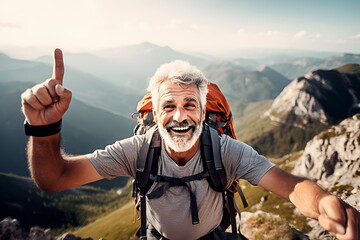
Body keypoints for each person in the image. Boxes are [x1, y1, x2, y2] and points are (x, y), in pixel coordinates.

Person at [21, 49, 359, 240]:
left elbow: (291, 185)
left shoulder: (226, 150)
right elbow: (55, 178)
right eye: (168, 106)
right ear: (154, 112)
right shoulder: (136, 150)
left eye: (189, 105)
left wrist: (324, 202)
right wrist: (44, 128)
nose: (179, 116)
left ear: (201, 111)